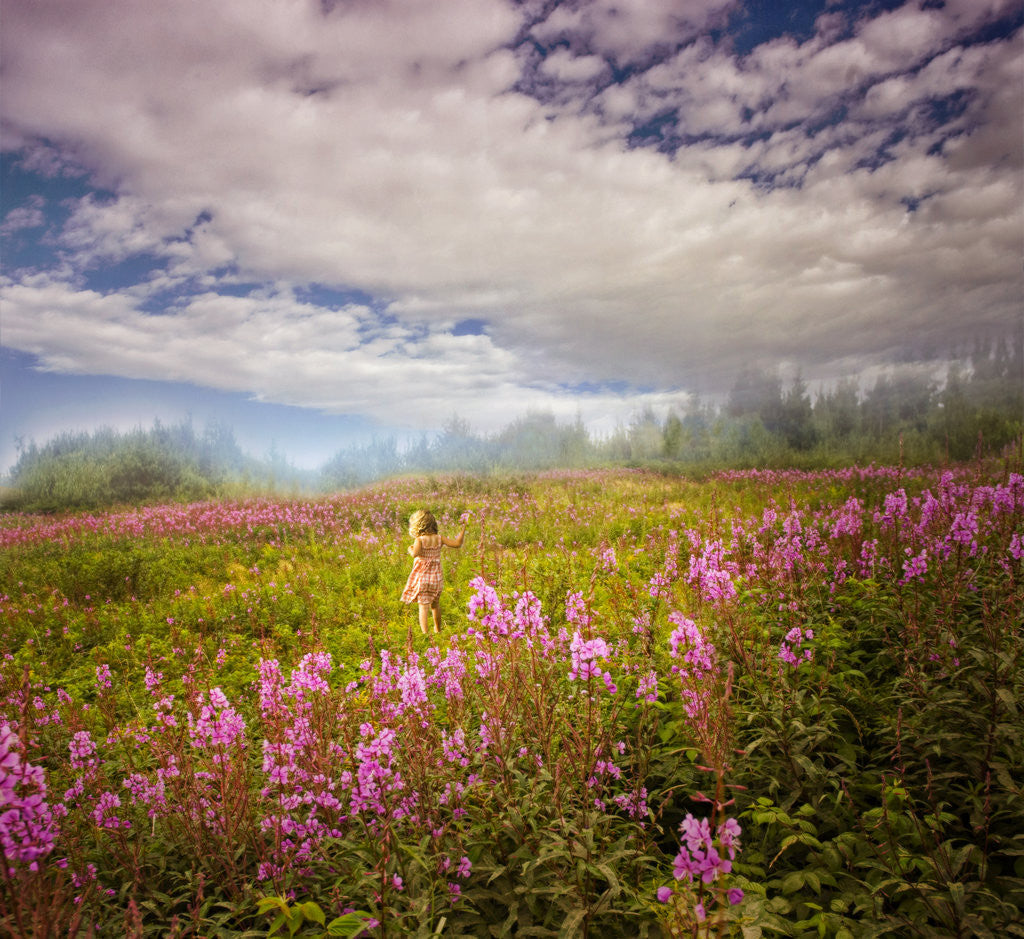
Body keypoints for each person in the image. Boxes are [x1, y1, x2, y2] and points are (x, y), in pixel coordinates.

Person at [401, 509, 466, 634]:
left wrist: (410, 549)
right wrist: (463, 529)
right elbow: (457, 544)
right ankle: (438, 630)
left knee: (423, 607)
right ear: (433, 524)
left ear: (418, 524)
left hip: (423, 578)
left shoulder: (419, 540)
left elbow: (415, 554)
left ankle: (426, 634)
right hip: (436, 577)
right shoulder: (439, 538)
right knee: (435, 605)